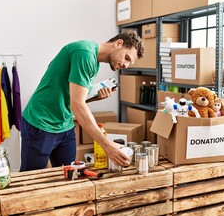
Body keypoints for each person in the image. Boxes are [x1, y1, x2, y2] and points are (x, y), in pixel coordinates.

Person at [20, 30, 144, 171]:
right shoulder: (84, 53)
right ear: (118, 43)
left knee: (71, 175)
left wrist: (94, 97)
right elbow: (77, 104)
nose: (126, 65)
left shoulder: (93, 61)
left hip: (64, 125)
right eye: (127, 58)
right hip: (41, 123)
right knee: (30, 180)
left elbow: (73, 98)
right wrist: (108, 146)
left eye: (130, 63)